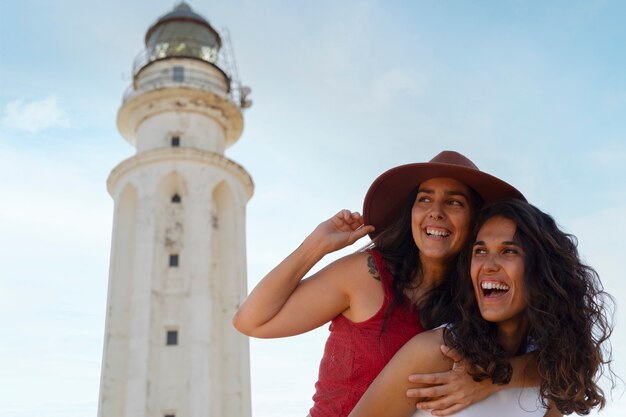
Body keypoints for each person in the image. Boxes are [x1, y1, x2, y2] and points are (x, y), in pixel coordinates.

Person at [232, 151, 529, 417]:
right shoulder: (367, 274)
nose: (435, 211)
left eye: (454, 202)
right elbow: (252, 321)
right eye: (424, 199)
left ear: (476, 222)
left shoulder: (484, 295)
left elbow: (557, 361)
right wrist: (316, 245)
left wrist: (495, 380)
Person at [348, 198, 614, 417]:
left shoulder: (548, 372)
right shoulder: (439, 352)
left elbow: (576, 365)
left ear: (544, 272)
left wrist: (498, 379)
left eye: (509, 251)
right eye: (480, 251)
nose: (488, 264)